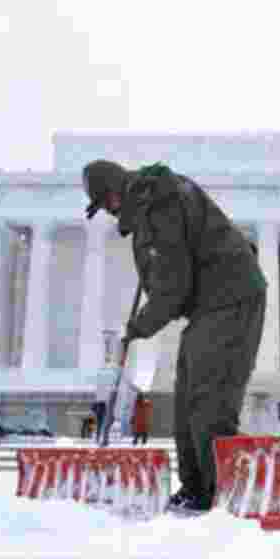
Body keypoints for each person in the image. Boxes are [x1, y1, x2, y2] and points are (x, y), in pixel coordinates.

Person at [82, 160, 266, 512]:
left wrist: (134, 329)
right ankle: (196, 486)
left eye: (105, 204)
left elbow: (172, 287)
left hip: (232, 298)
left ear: (114, 194)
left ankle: (225, 493)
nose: (107, 212)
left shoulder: (158, 205)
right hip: (210, 305)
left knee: (209, 398)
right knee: (186, 398)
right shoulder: (152, 203)